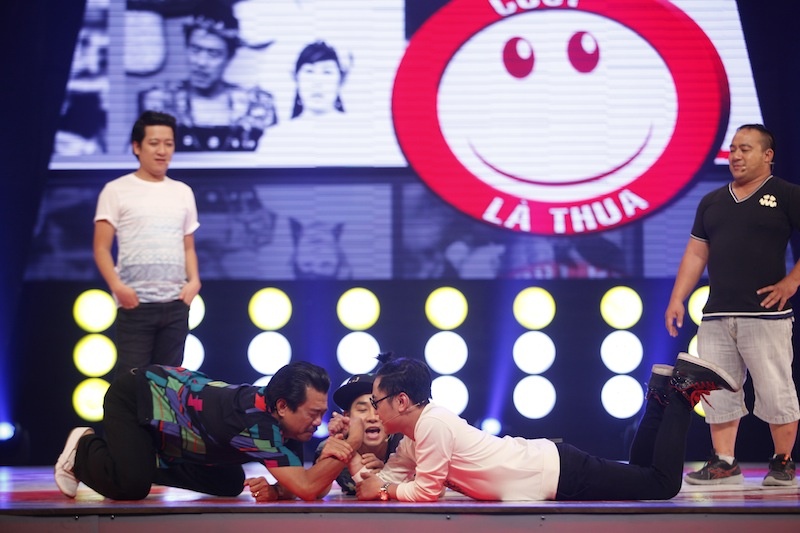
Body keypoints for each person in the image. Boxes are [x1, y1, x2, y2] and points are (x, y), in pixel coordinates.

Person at [341, 353, 737, 502]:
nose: (373, 411)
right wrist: (354, 459)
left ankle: (681, 393)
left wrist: (385, 490)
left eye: (376, 402)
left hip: (557, 473)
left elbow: (425, 492)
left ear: (402, 401)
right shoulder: (412, 440)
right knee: (641, 474)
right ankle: (660, 392)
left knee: (661, 485)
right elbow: (380, 483)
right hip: (552, 468)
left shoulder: (433, 425)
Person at [665, 123, 799, 487]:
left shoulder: (786, 194)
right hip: (717, 314)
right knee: (717, 390)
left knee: (775, 387)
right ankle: (724, 461)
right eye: (733, 149)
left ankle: (783, 461)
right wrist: (677, 298)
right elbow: (696, 253)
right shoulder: (712, 201)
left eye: (745, 149)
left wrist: (792, 281)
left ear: (768, 155)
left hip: (765, 314)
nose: (736, 156)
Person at [54, 361, 362, 501]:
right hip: (137, 397)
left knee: (228, 482)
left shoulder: (283, 422)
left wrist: (334, 446)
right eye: (313, 414)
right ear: (283, 406)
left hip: (177, 426)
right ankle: (83, 449)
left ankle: (145, 461)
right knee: (132, 486)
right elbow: (308, 489)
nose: (318, 422)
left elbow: (310, 487)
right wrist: (353, 440)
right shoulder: (257, 426)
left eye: (322, 413)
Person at [93, 110, 201, 375]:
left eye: (169, 143)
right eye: (154, 143)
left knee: (169, 383)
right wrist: (118, 287)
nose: (162, 151)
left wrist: (194, 282)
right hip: (135, 305)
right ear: (137, 147)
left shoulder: (183, 192)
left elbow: (188, 245)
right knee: (132, 383)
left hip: (176, 304)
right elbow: (101, 248)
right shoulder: (116, 190)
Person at [138, 0, 277, 151]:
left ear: (229, 57)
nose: (201, 62)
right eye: (195, 50)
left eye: (213, 54)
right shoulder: (160, 102)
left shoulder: (255, 104)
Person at [246, 372, 403, 500]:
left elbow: (417, 487)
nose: (372, 417)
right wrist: (276, 492)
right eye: (362, 410)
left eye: (377, 408)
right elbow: (316, 491)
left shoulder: (404, 442)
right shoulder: (331, 446)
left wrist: (389, 475)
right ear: (347, 417)